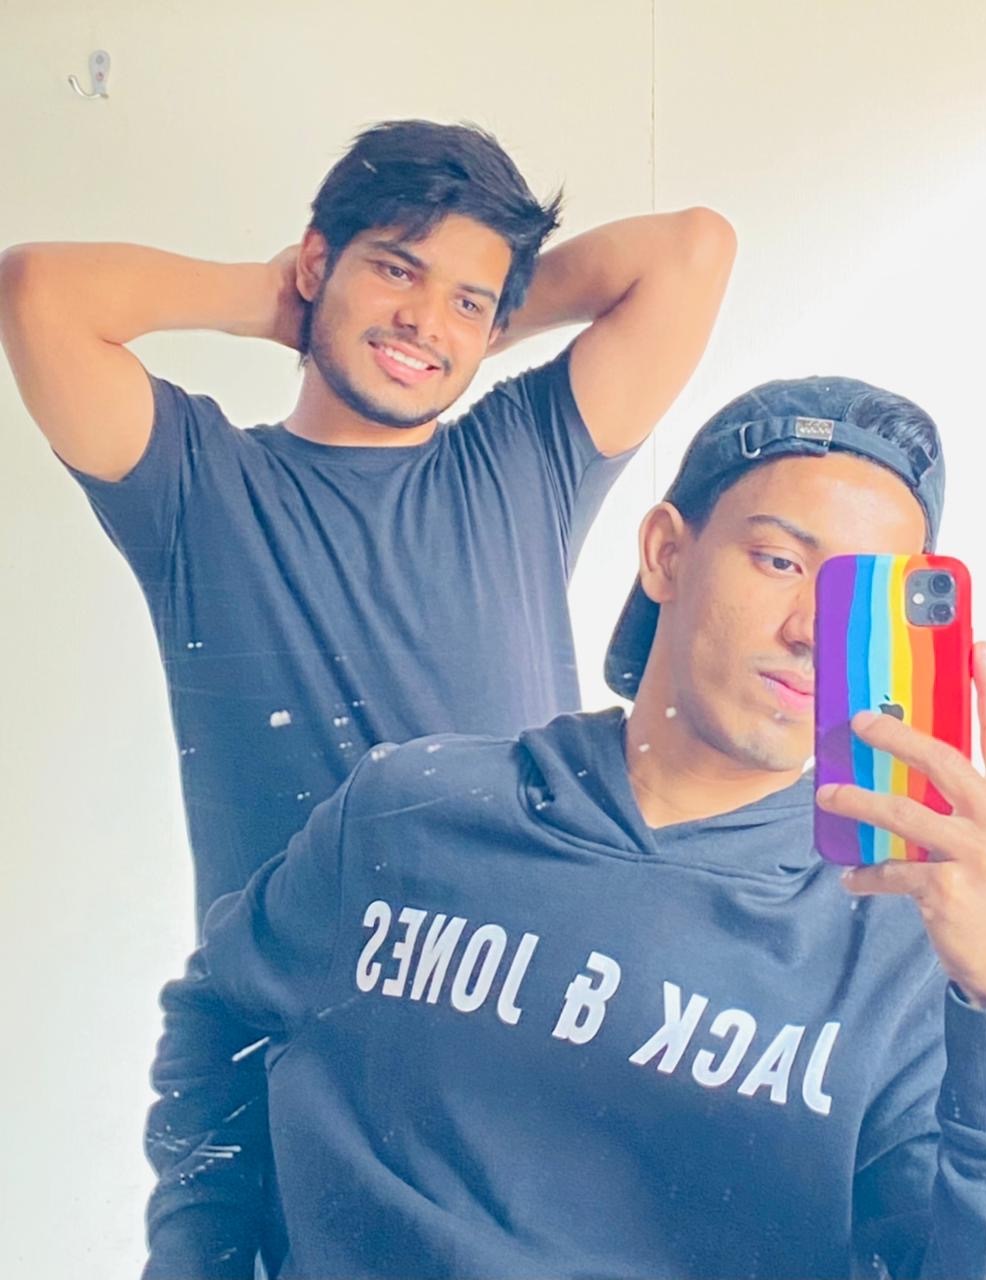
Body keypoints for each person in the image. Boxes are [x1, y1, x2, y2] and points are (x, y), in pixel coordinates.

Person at [144, 376, 986, 1279]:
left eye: (862, 593)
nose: (813, 628)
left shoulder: (909, 962)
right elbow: (221, 1022)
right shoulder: (407, 811)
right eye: (780, 561)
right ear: (666, 554)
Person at [0, 119, 736, 926]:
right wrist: (279, 301)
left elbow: (693, 251)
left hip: (525, 987)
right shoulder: (195, 484)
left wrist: (469, 328)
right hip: (288, 999)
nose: (423, 318)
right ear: (319, 262)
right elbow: (38, 292)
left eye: (466, 301)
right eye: (396, 270)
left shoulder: (527, 455)